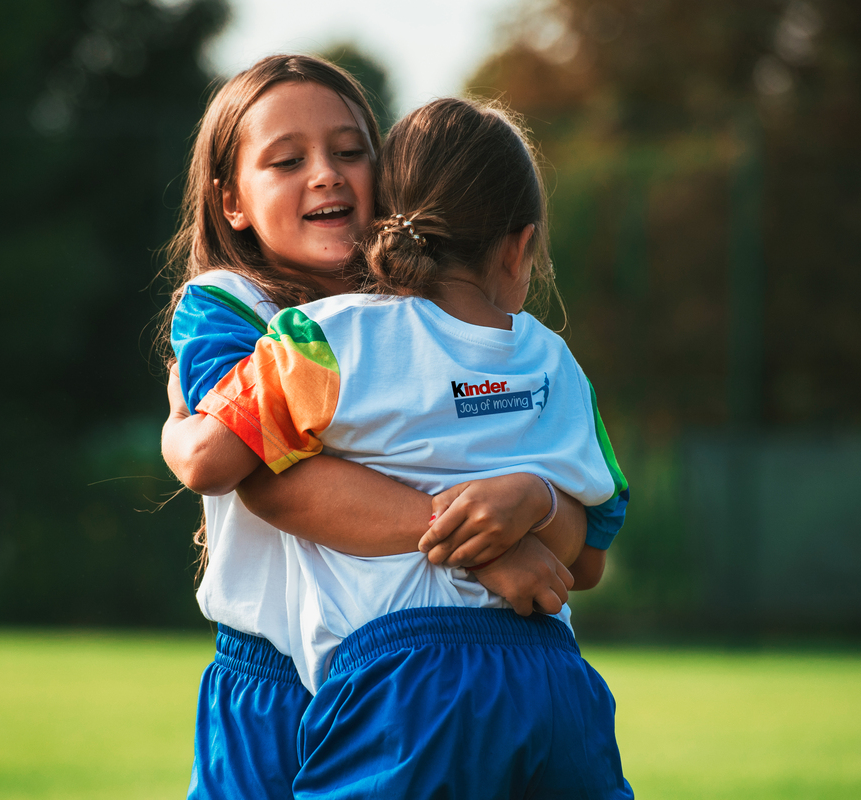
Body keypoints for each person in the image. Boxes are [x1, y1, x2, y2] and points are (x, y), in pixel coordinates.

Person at [160, 56, 606, 800]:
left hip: (397, 673)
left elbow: (581, 544)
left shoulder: (425, 323)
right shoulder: (233, 306)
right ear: (230, 200)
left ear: (391, 176)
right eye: (287, 160)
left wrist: (534, 503)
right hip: (271, 675)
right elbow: (261, 472)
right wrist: (485, 550)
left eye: (349, 150)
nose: (326, 173)